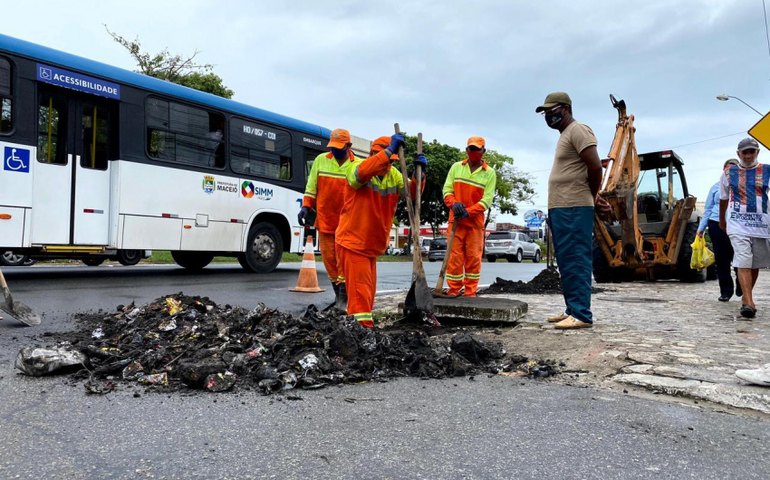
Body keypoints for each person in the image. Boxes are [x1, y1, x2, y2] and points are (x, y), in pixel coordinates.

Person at [335, 134, 426, 328]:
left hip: (371, 246)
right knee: (361, 298)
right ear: (373, 154)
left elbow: (411, 195)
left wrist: (419, 176)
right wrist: (388, 152)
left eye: (391, 161)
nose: (386, 164)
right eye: (383, 158)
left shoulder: (393, 175)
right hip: (353, 243)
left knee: (367, 295)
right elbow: (360, 175)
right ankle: (362, 333)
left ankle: (360, 331)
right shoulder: (356, 168)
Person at [536, 91, 610, 330]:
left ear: (566, 109)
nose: (548, 115)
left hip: (574, 206)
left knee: (576, 257)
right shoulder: (565, 134)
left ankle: (581, 313)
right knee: (566, 259)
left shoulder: (578, 130)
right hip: (562, 206)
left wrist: (592, 194)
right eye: (545, 112)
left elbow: (596, 167)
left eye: (552, 110)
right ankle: (571, 308)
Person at [298, 128, 358, 309]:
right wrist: (306, 206)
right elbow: (311, 186)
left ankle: (343, 300)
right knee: (330, 262)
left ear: (349, 146)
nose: (335, 150)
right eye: (333, 146)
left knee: (344, 264)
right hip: (325, 221)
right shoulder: (321, 160)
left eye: (340, 147)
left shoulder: (357, 165)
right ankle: (339, 298)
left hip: (348, 225)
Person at [719, 137, 770, 319]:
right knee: (742, 260)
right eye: (744, 152)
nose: (748, 155)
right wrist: (722, 220)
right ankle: (748, 302)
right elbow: (723, 198)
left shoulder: (767, 171)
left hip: (761, 223)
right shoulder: (728, 173)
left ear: (757, 152)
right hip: (737, 222)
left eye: (751, 151)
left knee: (754, 264)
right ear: (738, 154)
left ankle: (746, 298)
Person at [442, 136, 496, 297]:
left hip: (474, 224)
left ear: (483, 151)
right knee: (454, 258)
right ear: (466, 150)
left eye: (477, 149)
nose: (473, 152)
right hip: (456, 222)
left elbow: (487, 200)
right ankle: (453, 290)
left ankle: (470, 291)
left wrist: (469, 211)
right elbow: (447, 190)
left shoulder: (489, 173)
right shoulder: (456, 168)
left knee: (473, 258)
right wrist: (453, 204)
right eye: (470, 149)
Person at [697, 158, 741, 302]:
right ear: (724, 171)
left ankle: (742, 283)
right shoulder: (715, 187)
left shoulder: (743, 187)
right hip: (716, 224)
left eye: (734, 169)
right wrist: (701, 228)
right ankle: (726, 291)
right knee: (722, 259)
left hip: (737, 226)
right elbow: (708, 208)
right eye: (727, 169)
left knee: (739, 257)